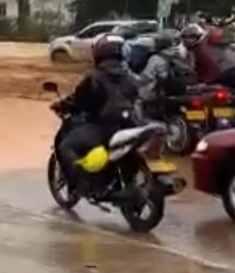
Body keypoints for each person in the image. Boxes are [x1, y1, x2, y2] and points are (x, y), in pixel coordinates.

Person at [52, 34, 138, 197]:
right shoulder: (130, 75)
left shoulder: (93, 76)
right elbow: (139, 94)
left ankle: (81, 184)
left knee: (66, 146)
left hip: (103, 127)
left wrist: (63, 105)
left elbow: (78, 100)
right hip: (130, 124)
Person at [137, 30, 194, 108]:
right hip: (181, 91)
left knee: (138, 100)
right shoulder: (182, 55)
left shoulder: (156, 59)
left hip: (161, 94)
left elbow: (146, 77)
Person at [181, 23, 235, 87]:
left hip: (223, 78)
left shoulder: (201, 50)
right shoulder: (194, 50)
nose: (188, 40)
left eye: (192, 37)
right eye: (184, 36)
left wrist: (205, 83)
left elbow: (214, 69)